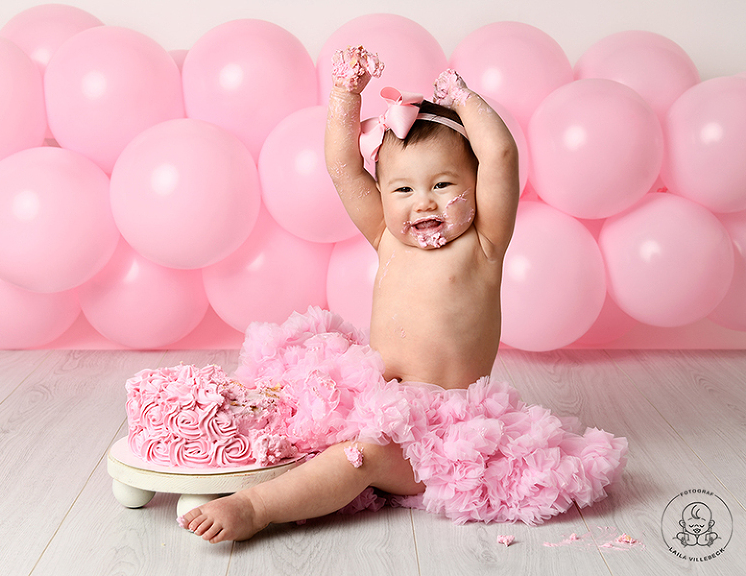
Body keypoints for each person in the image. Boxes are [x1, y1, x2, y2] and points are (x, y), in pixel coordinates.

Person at [180, 46, 627, 543]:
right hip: (370, 398)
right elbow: (343, 168)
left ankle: (255, 507)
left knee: (357, 459)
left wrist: (462, 98)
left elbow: (502, 154)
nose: (424, 203)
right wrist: (347, 94)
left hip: (437, 436)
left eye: (442, 184)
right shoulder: (386, 237)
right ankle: (207, 455)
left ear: (475, 187)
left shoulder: (484, 243)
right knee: (287, 410)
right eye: (403, 190)